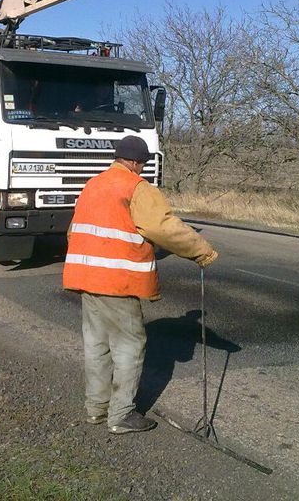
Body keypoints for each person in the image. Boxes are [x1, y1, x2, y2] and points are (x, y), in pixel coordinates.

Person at [63, 135, 218, 434]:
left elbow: (74, 231)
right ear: (135, 162)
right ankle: (121, 415)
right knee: (129, 346)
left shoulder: (94, 184)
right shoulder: (136, 187)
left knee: (96, 345)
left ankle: (96, 409)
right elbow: (164, 227)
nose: (143, 169)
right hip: (117, 281)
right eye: (143, 164)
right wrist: (203, 252)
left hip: (86, 278)